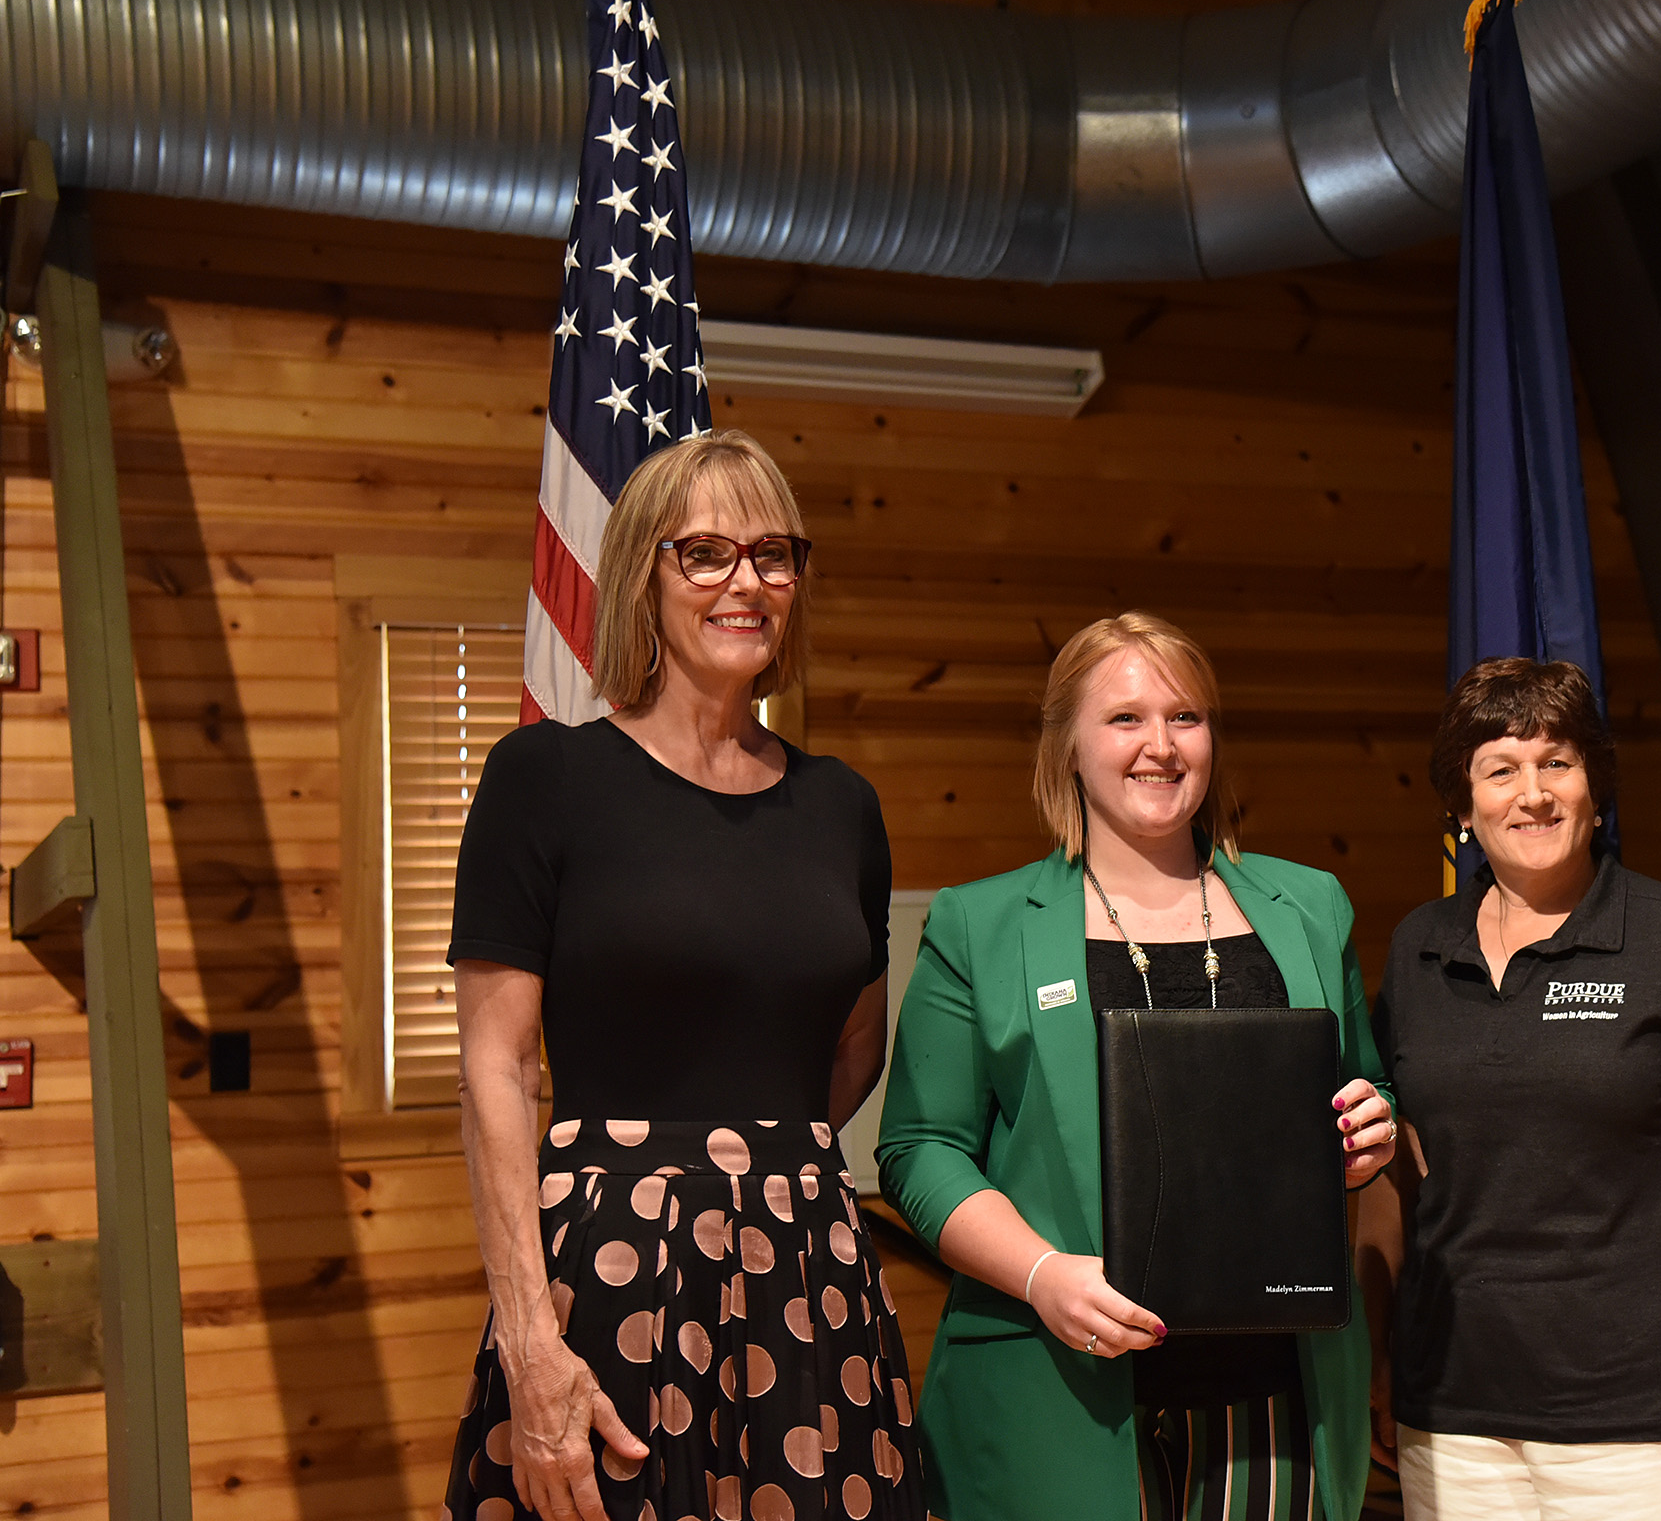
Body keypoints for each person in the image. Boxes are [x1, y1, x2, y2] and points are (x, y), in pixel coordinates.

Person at [438, 430, 925, 1521]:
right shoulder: (545, 780)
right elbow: (496, 1067)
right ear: (641, 578)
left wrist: (754, 1173)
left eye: (773, 553)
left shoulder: (844, 806)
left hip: (809, 1272)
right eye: (703, 551)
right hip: (605, 1274)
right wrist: (528, 1334)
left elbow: (854, 1042)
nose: (745, 580)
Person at [875, 612, 1397, 1521]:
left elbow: (1364, 1086)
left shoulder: (1310, 905)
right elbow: (919, 1149)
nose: (1159, 744)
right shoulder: (980, 926)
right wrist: (1044, 1275)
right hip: (1059, 1391)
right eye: (1124, 719)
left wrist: (1367, 1129)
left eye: (1185, 716)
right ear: (1066, 747)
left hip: (1274, 1399)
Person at [1368, 657, 1661, 1521]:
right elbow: (1394, 1178)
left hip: (1650, 1432)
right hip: (1454, 1431)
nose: (1532, 794)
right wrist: (1380, 1357)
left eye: (1556, 763)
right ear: (1462, 805)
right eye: (1499, 769)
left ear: (1594, 787)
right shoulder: (1419, 947)